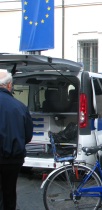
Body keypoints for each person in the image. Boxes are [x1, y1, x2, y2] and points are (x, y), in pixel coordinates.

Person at [0, 70, 33, 210]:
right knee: (9, 192)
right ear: (9, 86)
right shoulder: (20, 107)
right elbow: (28, 135)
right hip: (13, 159)